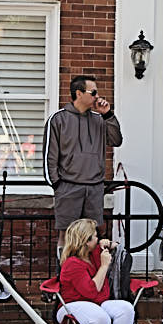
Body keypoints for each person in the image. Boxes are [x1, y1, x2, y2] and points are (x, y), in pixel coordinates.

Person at [44, 74, 122, 241]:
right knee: (67, 236)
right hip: (68, 188)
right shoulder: (58, 119)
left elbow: (116, 140)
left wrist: (108, 115)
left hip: (94, 188)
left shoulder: (99, 120)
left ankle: (89, 268)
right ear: (78, 93)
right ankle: (65, 268)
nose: (97, 97)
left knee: (91, 237)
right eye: (93, 92)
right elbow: (50, 157)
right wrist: (57, 185)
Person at [56, 218, 134, 324]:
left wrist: (109, 244)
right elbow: (92, 291)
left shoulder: (93, 254)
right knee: (99, 318)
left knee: (126, 309)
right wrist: (104, 266)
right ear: (86, 241)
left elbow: (117, 248)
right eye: (95, 236)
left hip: (99, 303)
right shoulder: (72, 264)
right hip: (72, 305)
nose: (97, 238)